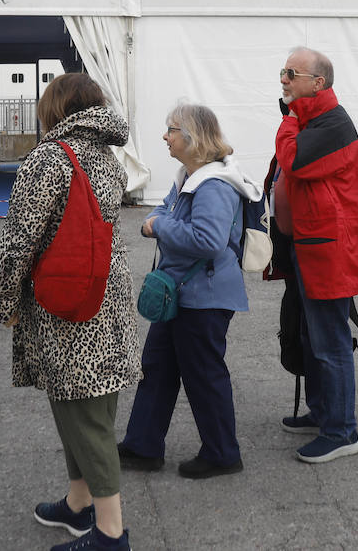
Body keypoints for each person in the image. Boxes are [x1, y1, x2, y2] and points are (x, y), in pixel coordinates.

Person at [0, 73, 137, 551]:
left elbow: (18, 242)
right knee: (83, 408)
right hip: (104, 299)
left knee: (85, 416)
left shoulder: (49, 158)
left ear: (55, 108)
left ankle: (111, 533)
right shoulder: (106, 156)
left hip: (68, 306)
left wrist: (5, 303)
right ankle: (78, 505)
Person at [118, 103, 260, 480]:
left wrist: (157, 228)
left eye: (171, 129)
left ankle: (222, 453)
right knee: (158, 367)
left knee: (204, 374)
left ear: (192, 137)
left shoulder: (211, 185)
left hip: (203, 297)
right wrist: (160, 221)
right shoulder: (189, 176)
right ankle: (142, 445)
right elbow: (164, 212)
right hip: (186, 293)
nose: (166, 136)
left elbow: (208, 240)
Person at [273, 47, 358, 463]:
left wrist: (289, 121)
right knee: (312, 337)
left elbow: (293, 162)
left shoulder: (331, 123)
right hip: (308, 248)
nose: (284, 79)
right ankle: (323, 411)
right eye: (283, 71)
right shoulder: (310, 120)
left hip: (327, 253)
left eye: (292, 73)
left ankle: (342, 431)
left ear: (318, 83)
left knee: (329, 341)